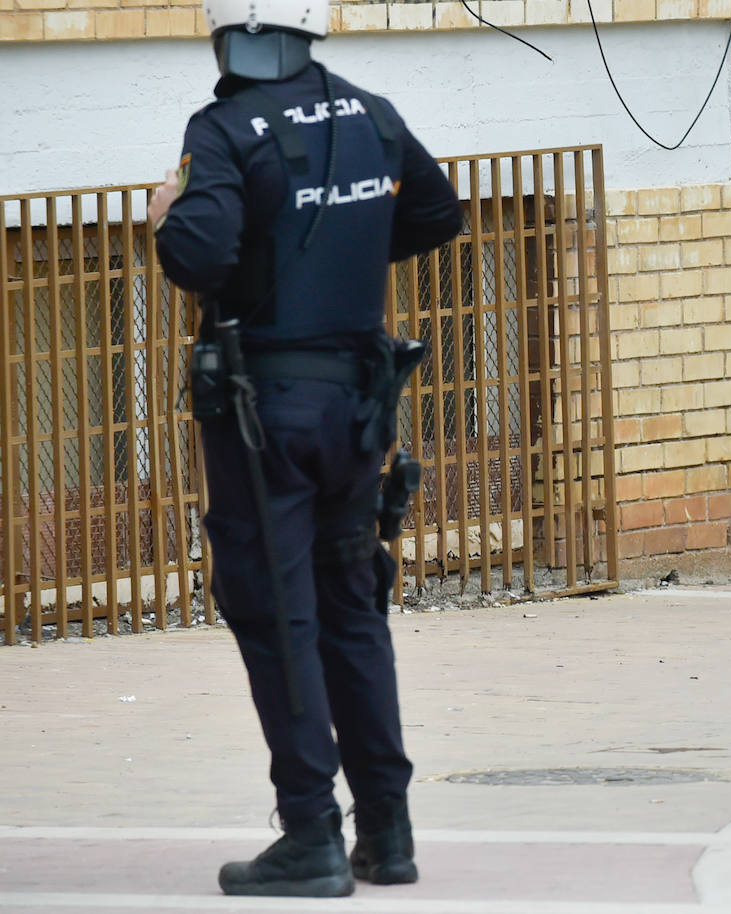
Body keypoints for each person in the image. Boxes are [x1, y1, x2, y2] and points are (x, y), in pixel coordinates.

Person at [149, 0, 463, 896]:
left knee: (278, 611)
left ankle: (313, 834)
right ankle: (389, 834)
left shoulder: (221, 129)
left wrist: (165, 216)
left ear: (226, 31)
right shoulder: (370, 109)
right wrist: (343, 254)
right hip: (358, 405)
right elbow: (439, 215)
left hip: (265, 412)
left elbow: (199, 259)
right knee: (354, 604)